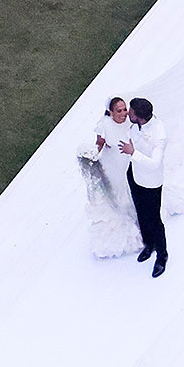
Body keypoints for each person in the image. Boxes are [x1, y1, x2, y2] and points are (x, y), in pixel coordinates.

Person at [78, 97, 142, 258]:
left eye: (124, 109)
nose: (123, 113)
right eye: (119, 111)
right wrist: (92, 155)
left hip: (131, 163)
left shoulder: (132, 122)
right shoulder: (105, 126)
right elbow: (99, 144)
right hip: (114, 167)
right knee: (123, 195)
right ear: (111, 112)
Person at [119, 98, 169, 278]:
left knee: (154, 220)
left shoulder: (159, 134)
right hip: (134, 175)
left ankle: (162, 256)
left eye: (130, 112)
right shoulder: (135, 126)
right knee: (140, 213)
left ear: (139, 117)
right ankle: (149, 245)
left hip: (151, 183)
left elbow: (155, 164)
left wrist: (133, 153)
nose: (127, 114)